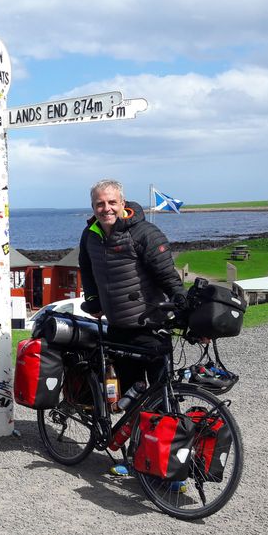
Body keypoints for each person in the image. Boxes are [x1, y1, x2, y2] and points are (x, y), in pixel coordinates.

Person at [77, 180, 187, 480]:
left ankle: (167, 465)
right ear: (93, 207)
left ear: (122, 202)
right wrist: (92, 300)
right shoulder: (91, 234)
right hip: (117, 326)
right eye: (100, 204)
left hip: (150, 325)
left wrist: (181, 302)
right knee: (130, 398)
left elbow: (167, 274)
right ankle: (136, 457)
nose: (106, 208)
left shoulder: (144, 233)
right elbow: (86, 269)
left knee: (161, 397)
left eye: (111, 202)